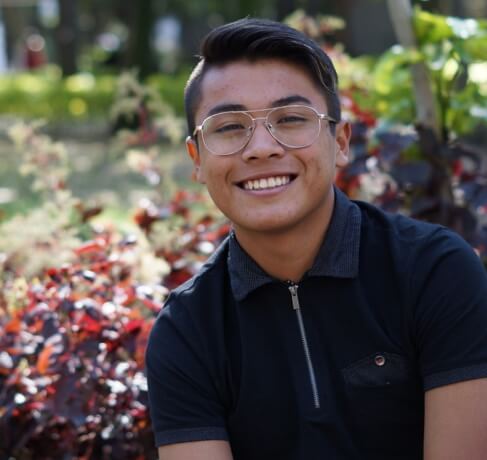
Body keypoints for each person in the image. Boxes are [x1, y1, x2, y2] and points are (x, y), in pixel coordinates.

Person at [145, 18, 487, 460]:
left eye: (290, 119)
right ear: (196, 159)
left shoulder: (434, 271)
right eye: (228, 127)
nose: (261, 147)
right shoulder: (187, 331)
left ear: (340, 141)